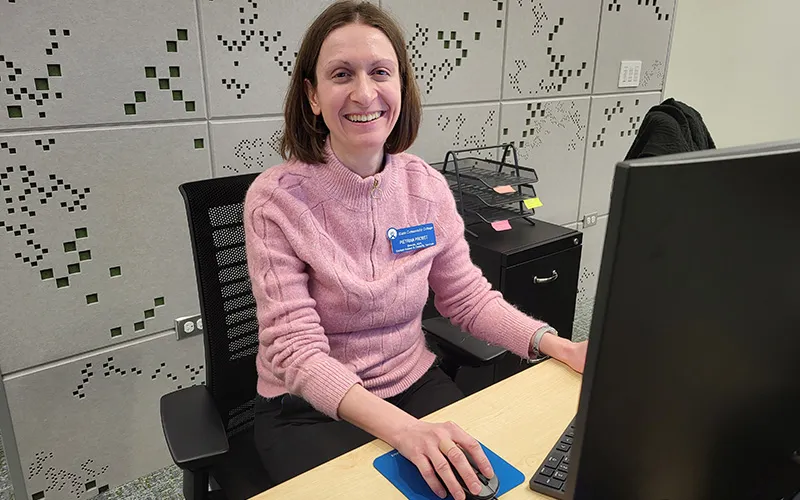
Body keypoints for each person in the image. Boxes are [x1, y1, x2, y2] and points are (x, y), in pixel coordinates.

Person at [243, 2, 588, 499]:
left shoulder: (424, 186)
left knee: (490, 485)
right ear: (312, 95)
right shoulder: (276, 200)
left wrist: (558, 346)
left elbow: (466, 299)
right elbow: (296, 351)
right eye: (341, 74)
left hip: (414, 381)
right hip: (305, 411)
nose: (364, 92)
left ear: (401, 86)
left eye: (380, 72)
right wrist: (402, 429)